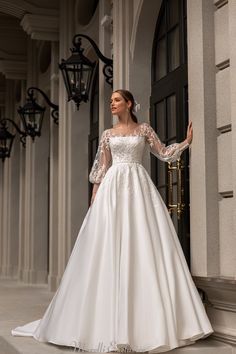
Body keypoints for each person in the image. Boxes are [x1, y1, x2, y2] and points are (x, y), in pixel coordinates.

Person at [11, 89, 214, 353]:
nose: (112, 104)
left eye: (117, 100)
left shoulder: (144, 130)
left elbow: (163, 152)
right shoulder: (108, 134)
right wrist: (96, 199)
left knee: (142, 244)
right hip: (112, 190)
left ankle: (151, 323)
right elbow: (102, 168)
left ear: (129, 104)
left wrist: (186, 142)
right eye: (110, 101)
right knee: (108, 246)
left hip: (139, 189)